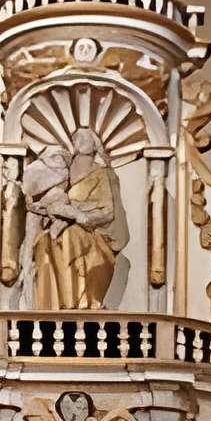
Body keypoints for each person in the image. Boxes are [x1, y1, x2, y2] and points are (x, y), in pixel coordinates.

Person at [25, 127, 125, 309]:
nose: (80, 140)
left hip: (93, 232)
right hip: (62, 224)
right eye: (77, 138)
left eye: (86, 137)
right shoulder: (65, 171)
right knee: (43, 241)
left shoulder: (102, 174)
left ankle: (77, 303)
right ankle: (51, 306)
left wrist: (81, 216)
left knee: (70, 236)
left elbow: (108, 212)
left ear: (95, 144)